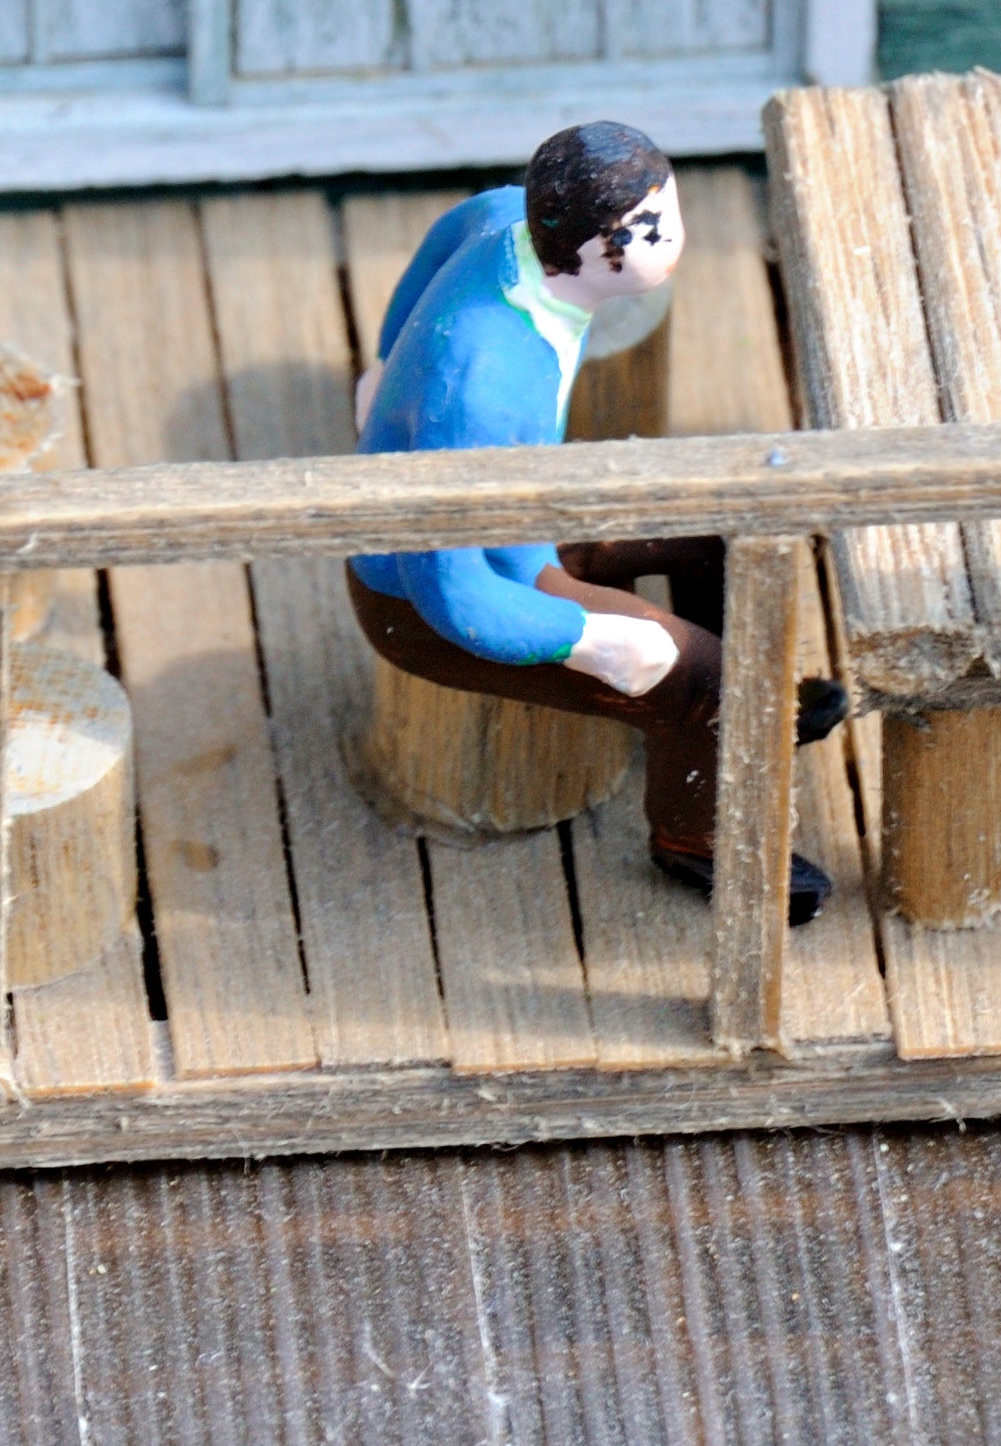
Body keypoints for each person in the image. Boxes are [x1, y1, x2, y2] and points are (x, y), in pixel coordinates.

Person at [346, 121, 850, 920]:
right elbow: (451, 593)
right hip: (445, 594)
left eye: (669, 207)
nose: (674, 237)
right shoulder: (480, 386)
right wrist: (593, 641)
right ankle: (699, 835)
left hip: (524, 510)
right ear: (584, 251)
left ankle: (748, 712)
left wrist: (379, 369)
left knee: (719, 527)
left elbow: (437, 245)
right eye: (649, 230)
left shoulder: (503, 216)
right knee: (695, 674)